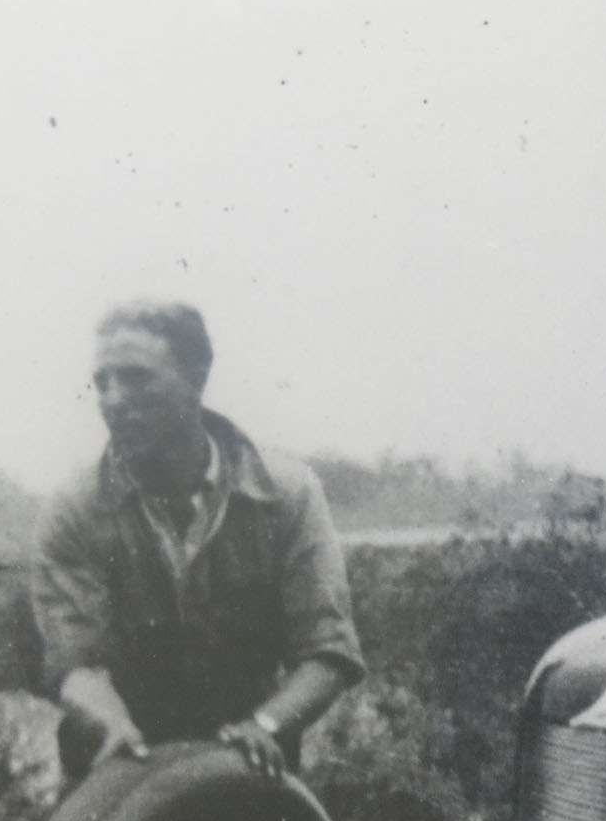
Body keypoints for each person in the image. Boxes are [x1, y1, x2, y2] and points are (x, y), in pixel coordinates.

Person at [32, 300, 365, 786]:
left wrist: (265, 724)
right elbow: (77, 663)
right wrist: (114, 724)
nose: (114, 399)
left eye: (136, 378)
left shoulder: (285, 494)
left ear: (196, 377)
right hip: (119, 770)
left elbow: (328, 652)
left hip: (252, 771)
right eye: (102, 382)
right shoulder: (75, 509)